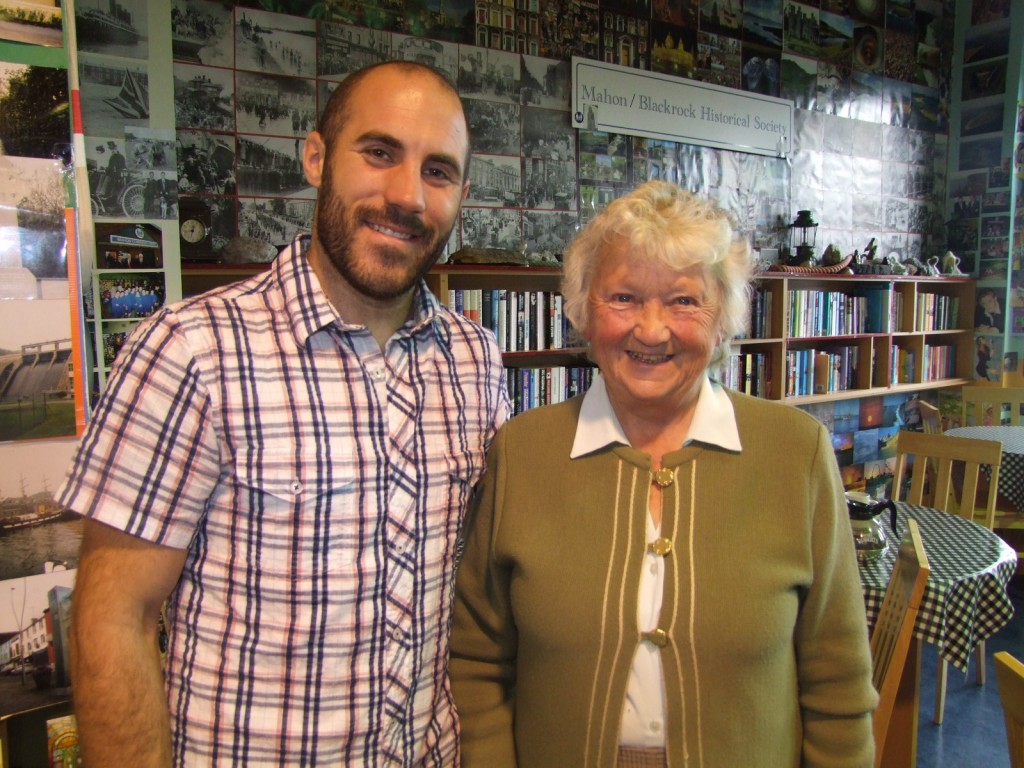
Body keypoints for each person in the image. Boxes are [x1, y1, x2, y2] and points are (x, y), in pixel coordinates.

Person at [60, 61, 510, 767]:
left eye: (439, 171)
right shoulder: (191, 350)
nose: (406, 196)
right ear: (316, 157)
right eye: (379, 152)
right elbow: (114, 618)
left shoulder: (475, 361)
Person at [450, 181, 877, 767]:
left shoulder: (796, 454)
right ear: (583, 311)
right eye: (623, 297)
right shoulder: (522, 453)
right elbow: (477, 662)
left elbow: (839, 687)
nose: (651, 331)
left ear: (723, 318)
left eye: (683, 301)